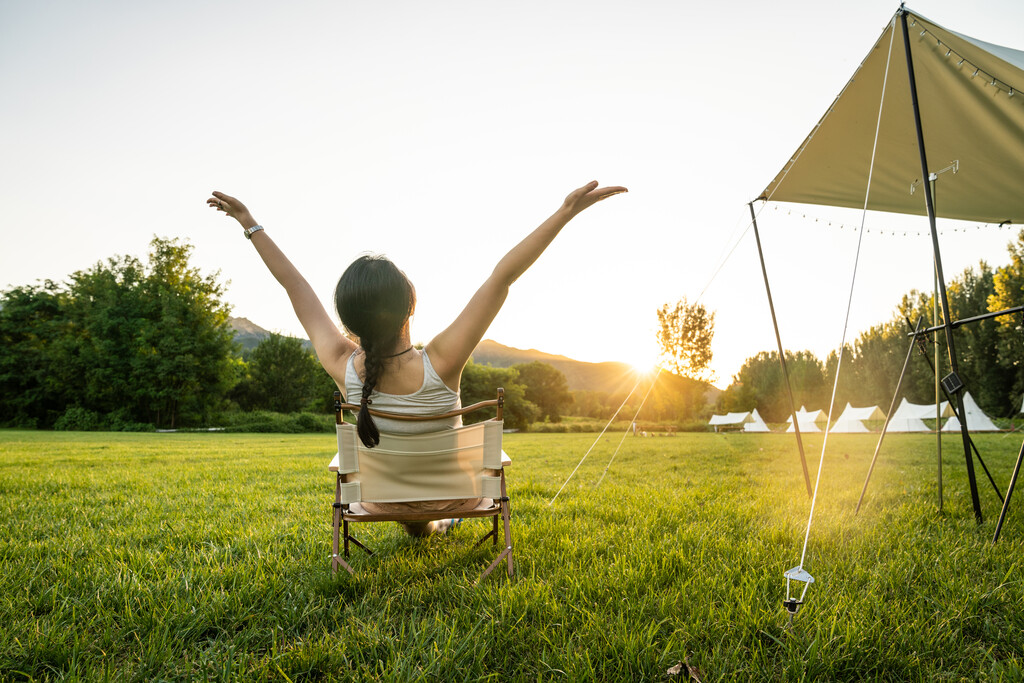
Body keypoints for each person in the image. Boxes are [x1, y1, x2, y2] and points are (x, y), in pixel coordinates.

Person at [207, 180, 626, 535]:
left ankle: (429, 526)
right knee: (430, 493)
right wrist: (564, 213)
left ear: (348, 320)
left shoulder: (339, 361)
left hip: (380, 499)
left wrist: (249, 223)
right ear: (410, 307)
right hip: (455, 494)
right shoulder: (442, 361)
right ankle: (440, 523)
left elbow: (292, 285)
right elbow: (503, 276)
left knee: (404, 493)